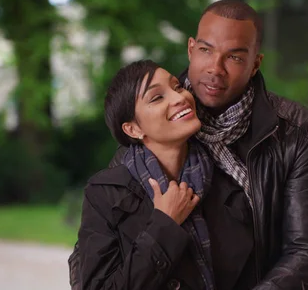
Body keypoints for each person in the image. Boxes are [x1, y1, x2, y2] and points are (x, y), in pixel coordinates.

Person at [70, 0, 308, 289]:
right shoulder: (150, 138)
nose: (215, 69)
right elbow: (92, 257)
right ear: (191, 49)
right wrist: (164, 223)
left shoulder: (297, 134)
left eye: (234, 57)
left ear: (255, 64)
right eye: (206, 51)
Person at [75, 59, 256, 290]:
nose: (180, 98)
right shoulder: (106, 194)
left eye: (177, 87)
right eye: (157, 97)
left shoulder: (230, 178)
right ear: (133, 129)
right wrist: (165, 223)